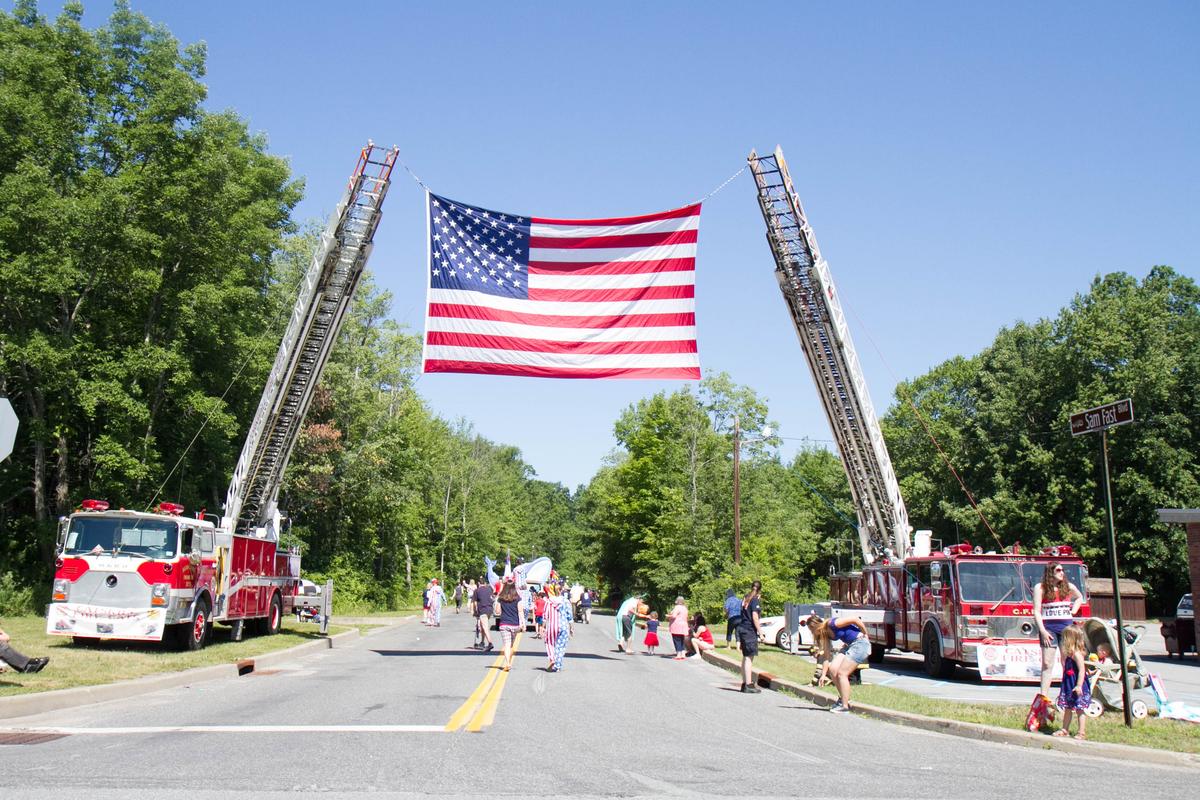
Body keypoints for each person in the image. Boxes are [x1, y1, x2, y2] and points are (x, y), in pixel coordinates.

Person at [1033, 561, 1083, 696]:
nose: (1062, 573)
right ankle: (1044, 697)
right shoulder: (1040, 588)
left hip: (1066, 628)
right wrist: (1042, 631)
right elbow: (1036, 611)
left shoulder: (1068, 587)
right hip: (1048, 628)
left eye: (1062, 570)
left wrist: (1073, 610)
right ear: (1051, 572)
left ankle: (1068, 693)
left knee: (1067, 661)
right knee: (1047, 663)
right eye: (1058, 570)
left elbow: (1080, 597)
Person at [808, 613, 870, 713]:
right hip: (849, 645)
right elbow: (827, 656)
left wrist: (865, 634)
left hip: (860, 643)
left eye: (812, 630)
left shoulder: (832, 624)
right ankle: (843, 699)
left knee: (842, 673)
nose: (813, 633)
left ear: (816, 626)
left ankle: (844, 706)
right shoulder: (825, 634)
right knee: (832, 669)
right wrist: (823, 675)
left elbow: (855, 619)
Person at [1053, 625, 1091, 740]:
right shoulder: (1069, 654)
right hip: (1069, 684)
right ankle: (1065, 729)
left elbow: (1082, 670)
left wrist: (1079, 685)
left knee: (1080, 708)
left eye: (1064, 638)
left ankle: (1081, 732)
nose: (1063, 641)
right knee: (1068, 708)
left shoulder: (1077, 655)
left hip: (1077, 685)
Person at [737, 581, 763, 692]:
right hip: (749, 630)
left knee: (745, 656)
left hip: (742, 628)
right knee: (749, 658)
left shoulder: (745, 598)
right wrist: (760, 632)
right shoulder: (754, 600)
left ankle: (744, 683)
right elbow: (755, 617)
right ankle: (748, 684)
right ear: (759, 590)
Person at [543, 583, 573, 672]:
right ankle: (558, 665)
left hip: (552, 626)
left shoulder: (549, 601)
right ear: (561, 590)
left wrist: (543, 627)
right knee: (561, 646)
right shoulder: (566, 601)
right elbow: (569, 616)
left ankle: (552, 659)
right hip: (563, 626)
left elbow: (545, 615)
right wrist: (571, 628)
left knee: (549, 643)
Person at [495, 577, 523, 671]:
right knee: (511, 645)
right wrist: (522, 623)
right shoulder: (517, 597)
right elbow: (520, 611)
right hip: (515, 624)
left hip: (504, 624)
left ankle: (507, 663)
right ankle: (509, 662)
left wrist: (498, 602)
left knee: (507, 645)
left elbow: (497, 611)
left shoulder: (501, 598)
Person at [471, 576, 494, 652]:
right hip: (490, 610)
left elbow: (474, 603)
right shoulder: (489, 589)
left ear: (478, 583)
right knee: (482, 625)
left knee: (484, 626)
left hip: (483, 610)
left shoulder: (477, 591)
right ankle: (482, 642)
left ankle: (490, 643)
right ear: (485, 583)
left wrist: (474, 612)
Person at [667, 596, 690, 660]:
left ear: (677, 601)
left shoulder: (677, 607)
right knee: (682, 639)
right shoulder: (685, 608)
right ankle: (683, 654)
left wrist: (669, 616)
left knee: (676, 640)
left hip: (677, 625)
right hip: (683, 625)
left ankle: (678, 654)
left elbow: (674, 616)